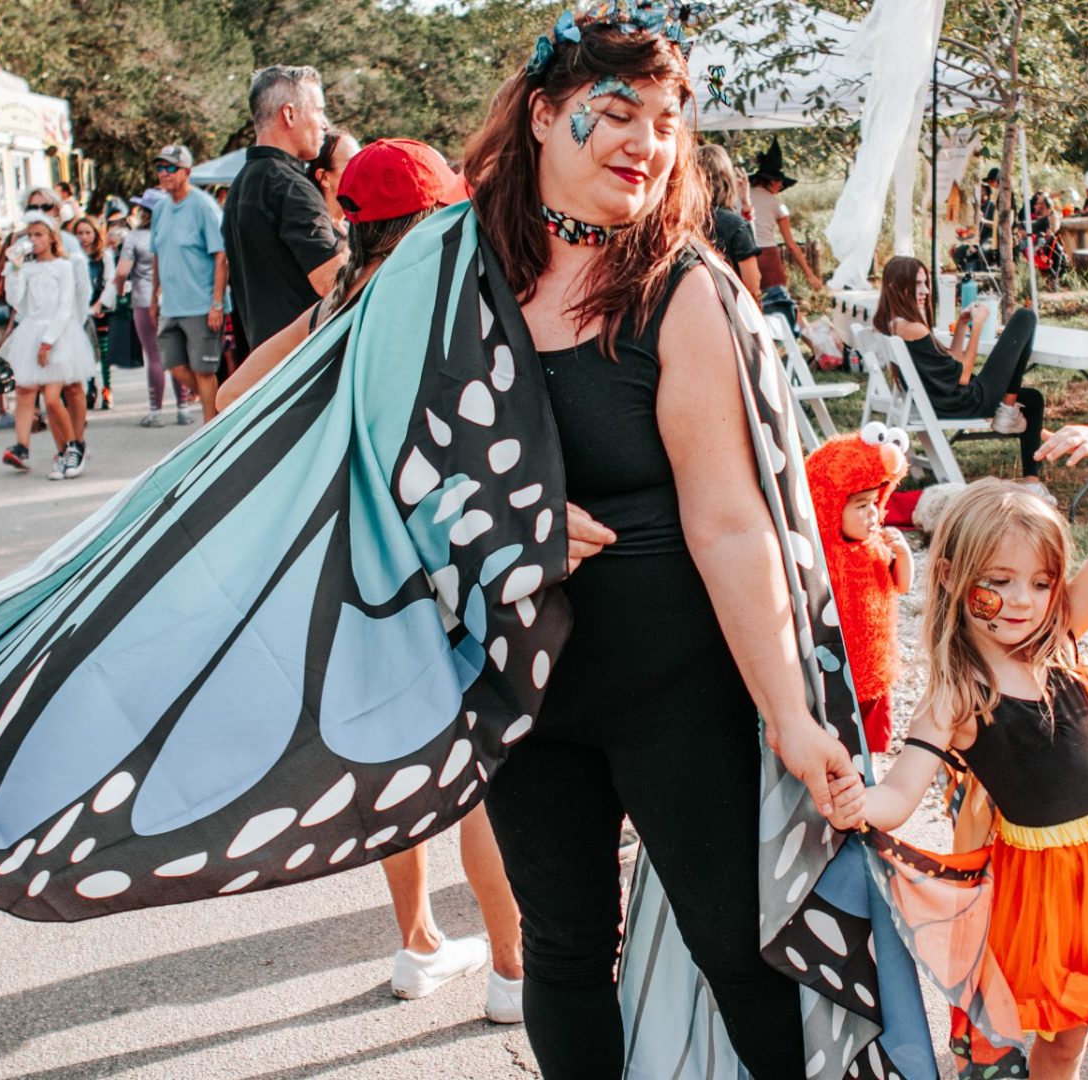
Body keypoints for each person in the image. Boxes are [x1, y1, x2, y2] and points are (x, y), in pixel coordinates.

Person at [460, 11, 857, 1075]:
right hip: (517, 690)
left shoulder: (679, 289)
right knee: (565, 950)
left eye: (670, 119)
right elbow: (318, 441)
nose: (649, 138)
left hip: (673, 687)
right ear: (545, 114)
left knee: (743, 944)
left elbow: (731, 520)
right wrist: (486, 518)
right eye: (619, 111)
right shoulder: (452, 283)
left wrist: (790, 716)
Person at [220, 136, 523, 1025]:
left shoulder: (337, 309)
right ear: (436, 216)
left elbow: (232, 397)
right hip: (447, 556)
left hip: (361, 565)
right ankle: (510, 968)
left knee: (403, 754)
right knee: (479, 772)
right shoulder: (444, 301)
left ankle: (419, 943)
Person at [853, 427, 1088, 1080]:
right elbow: (896, 796)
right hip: (1050, 885)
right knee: (1063, 1042)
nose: (1024, 601)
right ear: (950, 576)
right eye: (1000, 581)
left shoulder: (1057, 637)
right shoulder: (956, 694)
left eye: (1040, 581)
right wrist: (852, 799)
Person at [874, 255, 1049, 487]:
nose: (925, 290)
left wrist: (963, 324)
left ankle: (1032, 481)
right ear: (894, 286)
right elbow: (964, 377)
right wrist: (978, 327)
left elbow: (951, 362)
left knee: (1033, 399)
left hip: (943, 400)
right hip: (963, 401)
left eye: (926, 283)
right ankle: (1007, 407)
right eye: (917, 284)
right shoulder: (913, 328)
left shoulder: (894, 324)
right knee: (1025, 317)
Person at [222, 66, 347, 352]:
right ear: (289, 114)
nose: (325, 124)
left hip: (267, 360)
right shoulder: (290, 187)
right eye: (319, 111)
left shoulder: (243, 183)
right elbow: (334, 283)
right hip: (305, 363)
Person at [805, 426, 913, 758]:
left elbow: (902, 586)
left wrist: (905, 555)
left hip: (875, 668)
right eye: (861, 505)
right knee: (839, 741)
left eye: (875, 502)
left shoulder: (878, 545)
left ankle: (869, 780)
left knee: (871, 745)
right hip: (839, 674)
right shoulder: (822, 557)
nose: (872, 514)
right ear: (830, 506)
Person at [0, 213, 96, 480]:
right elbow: (15, 299)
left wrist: (48, 341)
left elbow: (65, 306)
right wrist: (15, 269)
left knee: (55, 397)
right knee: (41, 395)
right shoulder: (27, 268)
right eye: (30, 235)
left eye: (39, 235)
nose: (33, 240)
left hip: (59, 334)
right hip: (31, 330)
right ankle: (64, 451)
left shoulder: (63, 266)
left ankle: (75, 446)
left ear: (52, 238)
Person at [149, 144, 227, 424]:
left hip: (200, 304)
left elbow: (221, 256)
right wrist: (153, 296)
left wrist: (216, 303)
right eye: (160, 168)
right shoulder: (159, 209)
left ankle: (210, 433)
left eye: (170, 168)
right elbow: (157, 254)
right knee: (175, 365)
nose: (164, 173)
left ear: (187, 172)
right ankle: (223, 405)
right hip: (170, 305)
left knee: (203, 370)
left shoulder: (204, 207)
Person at [23, 186, 92, 476]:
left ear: (55, 209)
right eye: (33, 206)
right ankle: (66, 448)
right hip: (41, 327)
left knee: (74, 389)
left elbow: (80, 290)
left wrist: (73, 324)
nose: (39, 211)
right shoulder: (26, 246)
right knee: (50, 395)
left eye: (45, 206)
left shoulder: (71, 247)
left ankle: (76, 446)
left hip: (69, 325)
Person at [117, 189, 191, 427]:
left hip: (143, 298)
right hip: (175, 298)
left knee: (154, 356)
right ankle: (183, 408)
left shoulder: (135, 237)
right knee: (178, 353)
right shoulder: (175, 232)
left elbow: (121, 272)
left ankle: (156, 412)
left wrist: (119, 289)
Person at [747, 136, 823, 295]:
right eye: (778, 181)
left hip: (744, 253)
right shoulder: (776, 204)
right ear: (769, 181)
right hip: (767, 255)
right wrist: (810, 275)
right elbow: (791, 245)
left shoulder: (740, 197)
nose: (781, 185)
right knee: (780, 299)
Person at [694, 143, 759, 298]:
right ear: (727, 178)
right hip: (729, 307)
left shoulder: (678, 221)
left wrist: (746, 206)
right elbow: (753, 283)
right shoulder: (735, 225)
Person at [72, 215, 118, 410]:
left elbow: (111, 281)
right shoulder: (73, 256)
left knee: (105, 353)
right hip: (81, 312)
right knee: (87, 353)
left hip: (100, 311)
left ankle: (107, 389)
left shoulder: (104, 255)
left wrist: (101, 304)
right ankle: (90, 387)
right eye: (80, 233)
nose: (84, 237)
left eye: (87, 232)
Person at [308, 127, 360, 240]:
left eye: (362, 160)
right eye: (353, 163)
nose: (363, 169)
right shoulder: (313, 236)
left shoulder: (355, 230)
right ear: (324, 177)